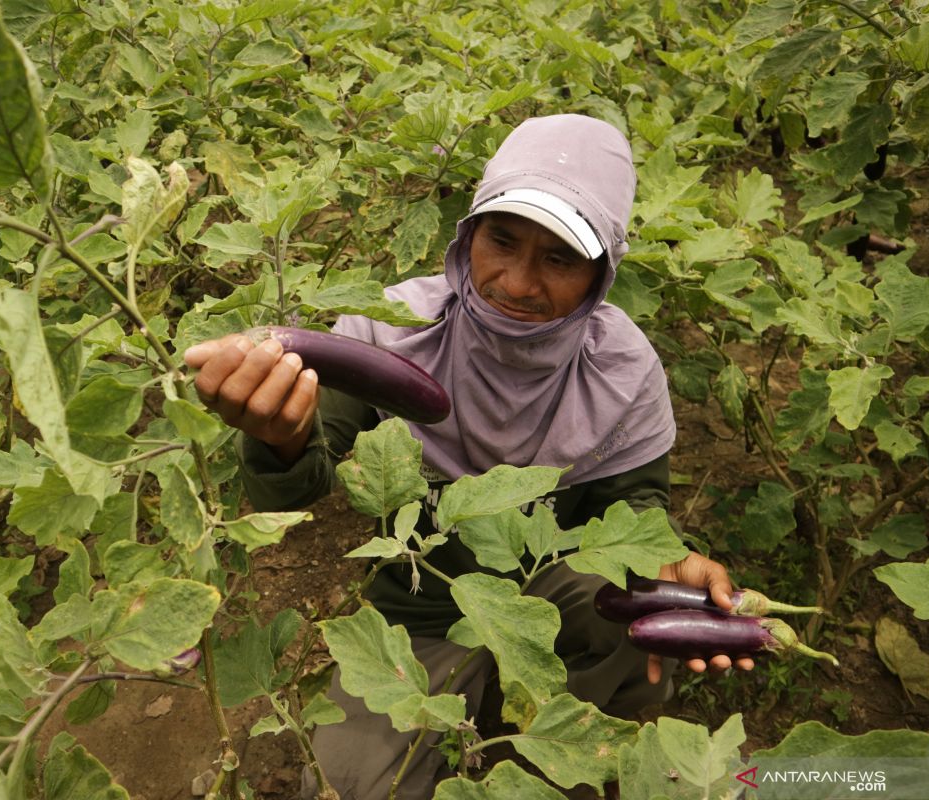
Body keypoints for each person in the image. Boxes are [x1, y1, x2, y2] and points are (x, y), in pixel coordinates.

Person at [183, 114, 754, 799]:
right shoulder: (390, 329)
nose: (514, 282)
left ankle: (567, 747)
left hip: (554, 588)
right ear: (469, 233)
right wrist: (278, 434)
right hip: (420, 609)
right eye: (502, 240)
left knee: (634, 627)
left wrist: (662, 553)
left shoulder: (624, 369)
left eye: (559, 259)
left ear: (602, 272)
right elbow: (293, 489)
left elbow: (634, 505)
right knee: (352, 788)